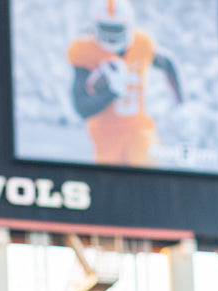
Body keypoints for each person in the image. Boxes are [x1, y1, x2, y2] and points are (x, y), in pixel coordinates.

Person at [68, 0, 182, 167]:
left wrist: (181, 102)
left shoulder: (141, 43)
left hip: (139, 130)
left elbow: (168, 63)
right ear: (94, 27)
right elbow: (81, 107)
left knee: (148, 168)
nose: (112, 36)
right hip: (105, 137)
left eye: (117, 29)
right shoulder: (84, 51)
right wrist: (111, 92)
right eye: (106, 28)